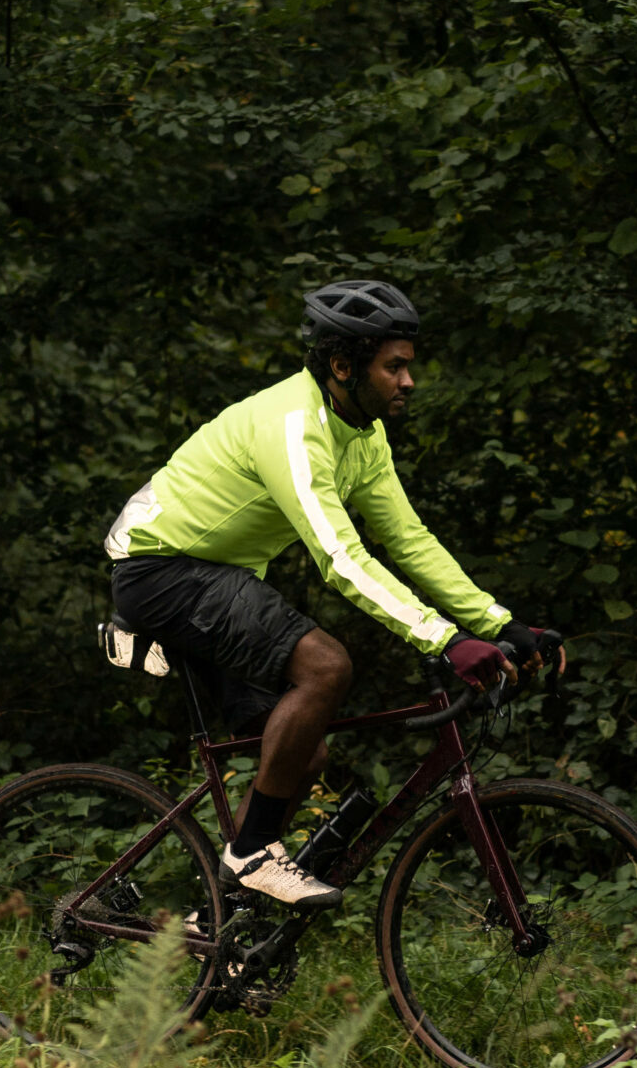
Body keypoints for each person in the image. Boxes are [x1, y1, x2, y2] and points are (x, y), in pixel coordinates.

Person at [104, 279, 564, 907]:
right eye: (393, 367)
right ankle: (251, 853)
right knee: (325, 666)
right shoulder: (293, 425)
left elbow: (408, 540)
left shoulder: (363, 434)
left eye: (408, 366)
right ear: (343, 366)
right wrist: (443, 639)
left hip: (214, 574)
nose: (408, 381)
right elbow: (340, 557)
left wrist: (498, 624)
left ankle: (215, 919)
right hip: (160, 569)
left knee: (305, 753)